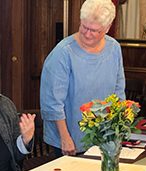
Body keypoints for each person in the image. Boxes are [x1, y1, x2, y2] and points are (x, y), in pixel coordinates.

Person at [40, 0, 126, 157]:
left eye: (94, 30)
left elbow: (118, 92)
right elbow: (52, 103)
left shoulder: (114, 48)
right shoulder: (63, 53)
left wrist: (117, 131)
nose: (87, 34)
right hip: (70, 139)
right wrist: (64, 138)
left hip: (104, 137)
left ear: (107, 28)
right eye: (84, 27)